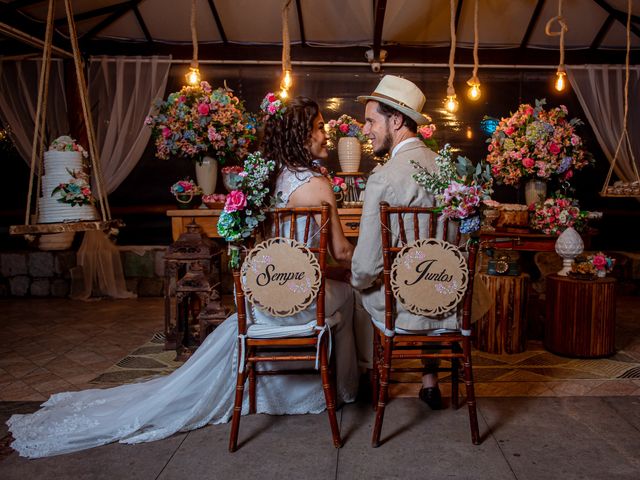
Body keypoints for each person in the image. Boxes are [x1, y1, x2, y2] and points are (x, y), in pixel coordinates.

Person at [7, 96, 358, 458]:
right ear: (301, 137)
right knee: (351, 296)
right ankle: (346, 390)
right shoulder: (317, 185)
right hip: (301, 304)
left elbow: (283, 255)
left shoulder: (265, 183)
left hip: (263, 300)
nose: (324, 134)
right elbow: (342, 252)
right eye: (318, 127)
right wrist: (363, 267)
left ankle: (307, 386)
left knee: (338, 287)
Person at [350, 75, 449, 410]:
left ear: (396, 120)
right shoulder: (450, 171)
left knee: (357, 288)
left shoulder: (384, 178)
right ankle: (430, 381)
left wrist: (357, 280)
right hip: (450, 304)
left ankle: (368, 381)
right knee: (431, 277)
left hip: (404, 309)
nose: (365, 130)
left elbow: (365, 266)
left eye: (370, 121)